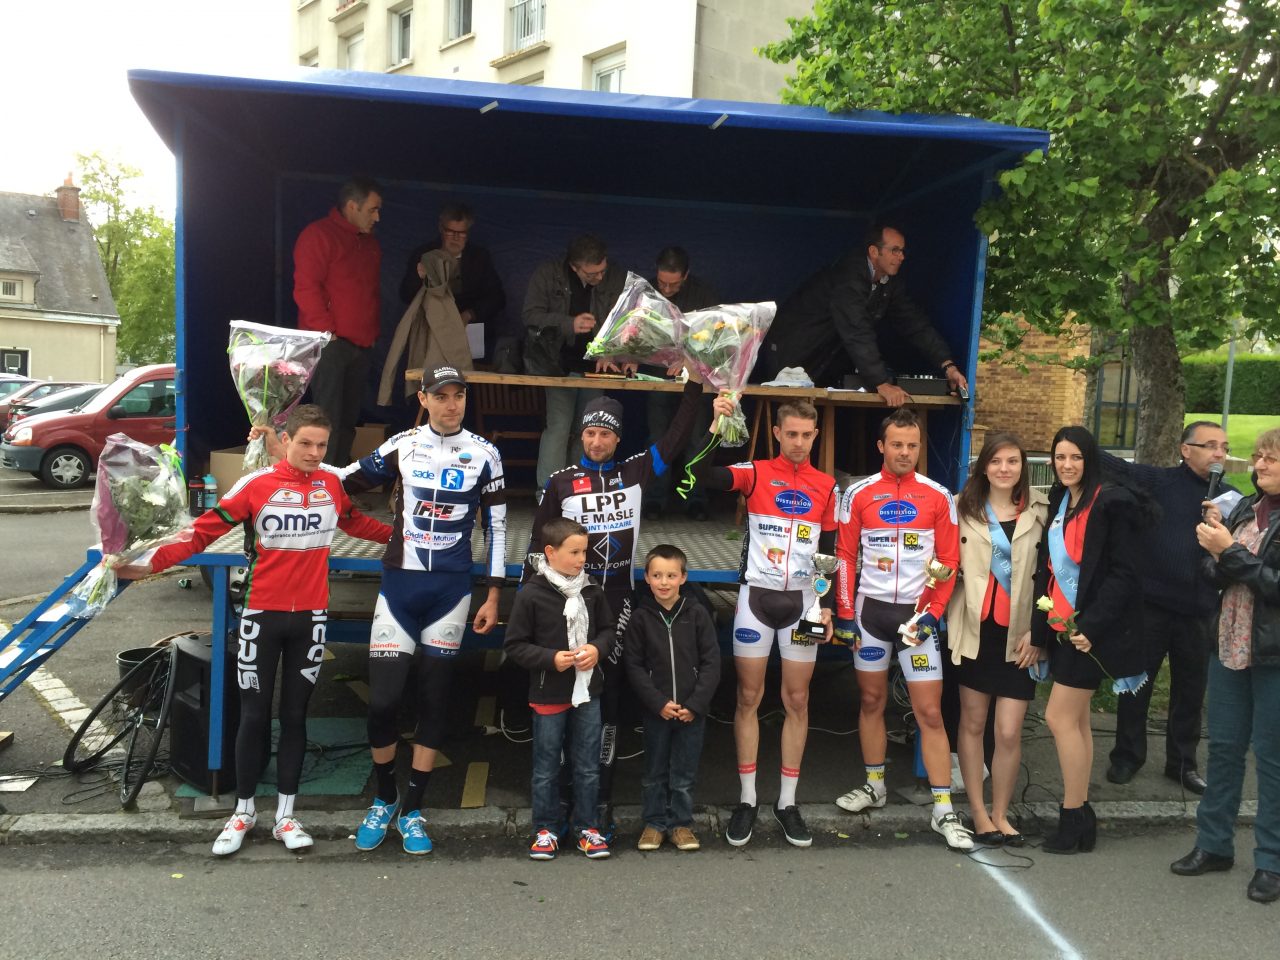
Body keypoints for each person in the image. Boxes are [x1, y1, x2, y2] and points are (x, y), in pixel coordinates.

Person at [118, 405, 391, 856]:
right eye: (305, 443)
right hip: (261, 616)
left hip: (311, 618)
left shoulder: (330, 484)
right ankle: (243, 812)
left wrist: (404, 534)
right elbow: (201, 534)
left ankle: (286, 816)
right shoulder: (255, 485)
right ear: (285, 441)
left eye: (322, 445)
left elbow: (355, 521)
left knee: (297, 717)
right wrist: (148, 564)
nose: (313, 453)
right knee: (253, 715)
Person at [521, 375, 733, 831]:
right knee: (561, 698)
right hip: (564, 603)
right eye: (590, 433)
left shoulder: (633, 472)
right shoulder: (560, 482)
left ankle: (599, 803)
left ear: (618, 437)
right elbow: (538, 551)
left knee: (608, 703)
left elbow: (675, 440)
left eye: (606, 434)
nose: (597, 441)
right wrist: (526, 606)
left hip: (614, 603)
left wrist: (694, 385)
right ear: (581, 435)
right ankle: (559, 803)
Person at [341, 365, 506, 856]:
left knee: (435, 701)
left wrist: (494, 594)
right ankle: (384, 797)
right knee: (384, 702)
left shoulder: (485, 453)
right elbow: (344, 481)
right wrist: (281, 460)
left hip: (450, 593)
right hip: (399, 589)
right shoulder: (402, 443)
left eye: (459, 396)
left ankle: (412, 807)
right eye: (442, 396)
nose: (452, 404)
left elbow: (496, 528)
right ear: (424, 398)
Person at [691, 400, 838, 847]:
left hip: (804, 604)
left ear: (815, 436)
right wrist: (717, 423)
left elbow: (830, 550)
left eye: (806, 435)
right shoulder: (754, 473)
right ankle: (749, 798)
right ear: (776, 433)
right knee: (748, 697)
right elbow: (700, 472)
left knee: (797, 699)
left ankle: (788, 801)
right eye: (790, 434)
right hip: (756, 600)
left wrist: (826, 605)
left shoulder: (827, 486)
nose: (798, 442)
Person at [834, 407, 971, 851]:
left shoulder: (938, 495)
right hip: (870, 613)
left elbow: (950, 561)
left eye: (913, 445)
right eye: (897, 444)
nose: (906, 453)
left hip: (916, 619)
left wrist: (932, 613)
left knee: (929, 712)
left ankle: (943, 808)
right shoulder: (858, 493)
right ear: (881, 446)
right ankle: (875, 785)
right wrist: (844, 612)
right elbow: (844, 557)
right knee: (871, 700)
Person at [1172, 428, 1280, 904]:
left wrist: (1229, 552)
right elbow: (1212, 573)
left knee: (1273, 761)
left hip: (1273, 652)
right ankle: (1214, 845)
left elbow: (1274, 584)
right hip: (1229, 643)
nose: (1260, 466)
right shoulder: (1244, 509)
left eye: (1272, 459)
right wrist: (1216, 548)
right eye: (1257, 457)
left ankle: (1271, 863)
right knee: (1224, 749)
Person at [1030, 425, 1146, 854]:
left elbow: (1124, 575)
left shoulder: (1111, 502)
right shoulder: (1063, 500)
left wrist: (1091, 628)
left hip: (1089, 634)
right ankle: (1083, 818)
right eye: (1060, 457)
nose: (1067, 465)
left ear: (1090, 459)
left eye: (1075, 457)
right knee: (1075, 722)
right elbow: (1049, 570)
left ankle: (1073, 815)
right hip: (1063, 629)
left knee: (1059, 719)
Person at [1103, 421, 1236, 794]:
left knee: (1190, 690)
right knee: (1136, 683)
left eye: (1223, 447)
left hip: (1200, 609)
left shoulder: (1228, 498)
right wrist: (1075, 443)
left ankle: (1182, 764)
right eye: (1209, 446)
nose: (1218, 454)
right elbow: (1115, 468)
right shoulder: (1159, 482)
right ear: (1185, 449)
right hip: (1152, 605)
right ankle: (1127, 756)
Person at [947, 432, 1048, 845]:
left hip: (1020, 637)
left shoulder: (1042, 510)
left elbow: (1055, 574)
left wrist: (1040, 634)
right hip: (976, 631)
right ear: (983, 466)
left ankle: (1002, 813)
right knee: (972, 724)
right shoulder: (961, 507)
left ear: (1022, 466)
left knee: (1008, 731)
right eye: (996, 461)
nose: (1004, 469)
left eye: (1012, 461)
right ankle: (978, 813)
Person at [504, 518, 615, 860]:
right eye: (574, 552)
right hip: (548, 692)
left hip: (587, 692)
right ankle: (546, 828)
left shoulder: (593, 591)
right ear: (550, 553)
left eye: (585, 552)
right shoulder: (532, 595)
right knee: (547, 766)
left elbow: (609, 631)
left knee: (586, 764)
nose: (582, 559)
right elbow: (515, 645)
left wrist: (597, 648)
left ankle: (586, 827)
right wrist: (551, 659)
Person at [761, 223, 967, 404]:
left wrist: (947, 366)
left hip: (823, 356)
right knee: (791, 419)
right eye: (895, 250)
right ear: (874, 252)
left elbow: (914, 323)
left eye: (902, 251)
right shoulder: (849, 275)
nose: (902, 257)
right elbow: (856, 330)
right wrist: (880, 382)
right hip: (792, 351)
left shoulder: (889, 282)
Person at [623, 544, 721, 852]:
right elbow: (634, 665)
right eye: (656, 575)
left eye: (670, 575)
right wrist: (657, 703)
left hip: (693, 712)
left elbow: (711, 663)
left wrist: (695, 705)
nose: (663, 582)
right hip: (657, 712)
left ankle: (681, 824)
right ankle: (654, 823)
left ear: (683, 578)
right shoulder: (640, 618)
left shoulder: (697, 614)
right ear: (647, 579)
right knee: (654, 771)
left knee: (683, 773)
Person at [522, 233, 626, 490]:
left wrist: (610, 351)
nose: (599, 278)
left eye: (602, 270)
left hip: (596, 367)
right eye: (592, 275)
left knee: (591, 429)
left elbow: (627, 320)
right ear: (573, 266)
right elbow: (530, 315)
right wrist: (569, 324)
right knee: (558, 426)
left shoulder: (615, 276)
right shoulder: (548, 274)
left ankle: (582, 487)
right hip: (558, 364)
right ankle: (549, 491)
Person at [293, 176, 384, 465]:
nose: (377, 217)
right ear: (352, 206)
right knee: (326, 419)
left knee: (348, 420)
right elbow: (306, 287)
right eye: (372, 209)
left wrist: (371, 334)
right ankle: (319, 488)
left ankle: (338, 486)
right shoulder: (318, 235)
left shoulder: (370, 245)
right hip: (329, 344)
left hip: (361, 345)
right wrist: (325, 331)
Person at [641, 246, 721, 521]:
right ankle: (654, 499)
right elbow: (635, 333)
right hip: (657, 378)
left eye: (673, 283)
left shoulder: (704, 294)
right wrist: (631, 356)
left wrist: (688, 360)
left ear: (685, 276)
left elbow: (716, 339)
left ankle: (694, 499)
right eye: (662, 281)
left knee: (697, 439)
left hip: (696, 380)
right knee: (658, 438)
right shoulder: (646, 292)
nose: (666, 288)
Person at [396, 201, 507, 360]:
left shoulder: (479, 257)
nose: (456, 238)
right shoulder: (424, 255)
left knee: (467, 380)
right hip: (432, 333)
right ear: (441, 229)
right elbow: (405, 294)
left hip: (469, 333)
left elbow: (497, 297)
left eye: (462, 233)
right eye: (450, 232)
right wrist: (420, 278)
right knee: (432, 380)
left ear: (468, 232)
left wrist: (469, 314)